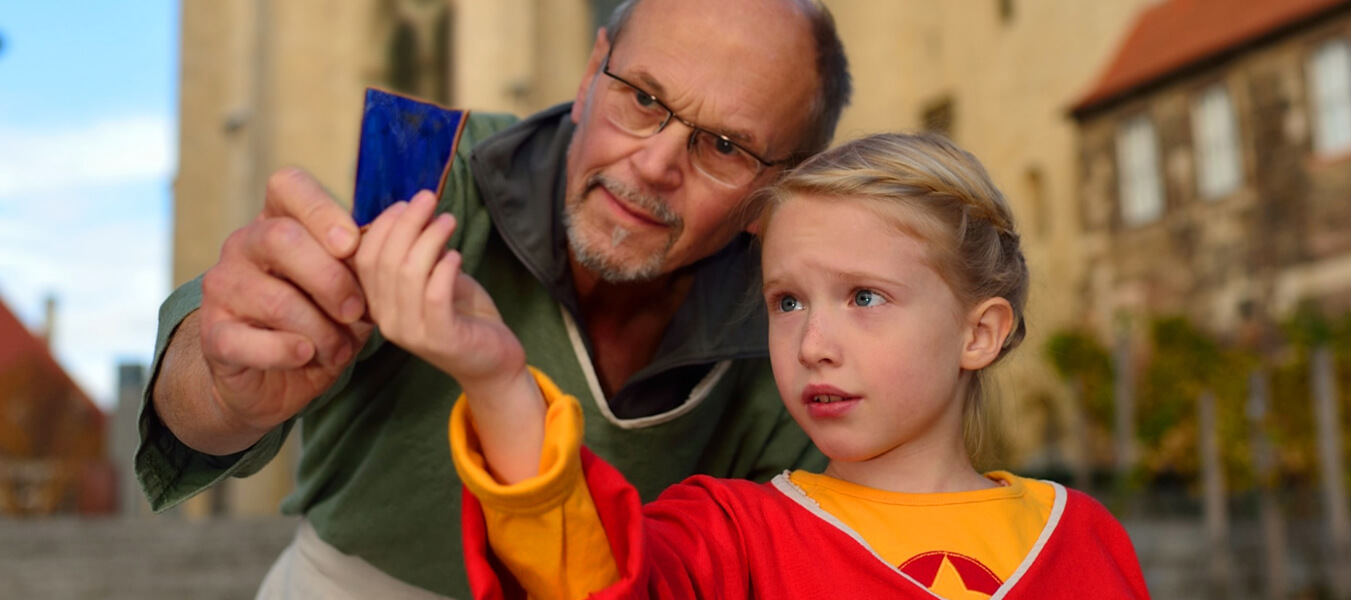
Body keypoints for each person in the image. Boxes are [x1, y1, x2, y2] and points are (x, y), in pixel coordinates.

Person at [136, 0, 851, 597]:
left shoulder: (804, 339)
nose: (657, 164)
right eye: (641, 98)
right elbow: (200, 391)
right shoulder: (436, 171)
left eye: (724, 145)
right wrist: (225, 386)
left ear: (780, 190)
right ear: (586, 76)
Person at [360, 133, 1151, 599]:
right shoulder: (729, 536)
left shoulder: (1083, 538)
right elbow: (590, 576)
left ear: (978, 334)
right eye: (787, 302)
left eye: (865, 298)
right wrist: (499, 382)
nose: (813, 344)